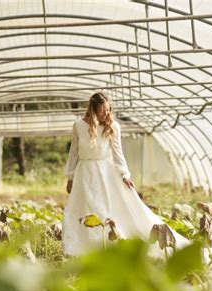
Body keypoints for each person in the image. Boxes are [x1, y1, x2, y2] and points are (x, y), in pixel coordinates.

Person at [61, 92, 191, 258]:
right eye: (101, 111)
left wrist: (124, 175)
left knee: (108, 209)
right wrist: (70, 176)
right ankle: (85, 250)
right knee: (83, 210)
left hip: (106, 173)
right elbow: (74, 152)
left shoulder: (113, 126)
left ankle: (111, 246)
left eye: (108, 110)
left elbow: (117, 153)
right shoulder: (78, 125)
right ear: (92, 110)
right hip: (84, 173)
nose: (105, 114)